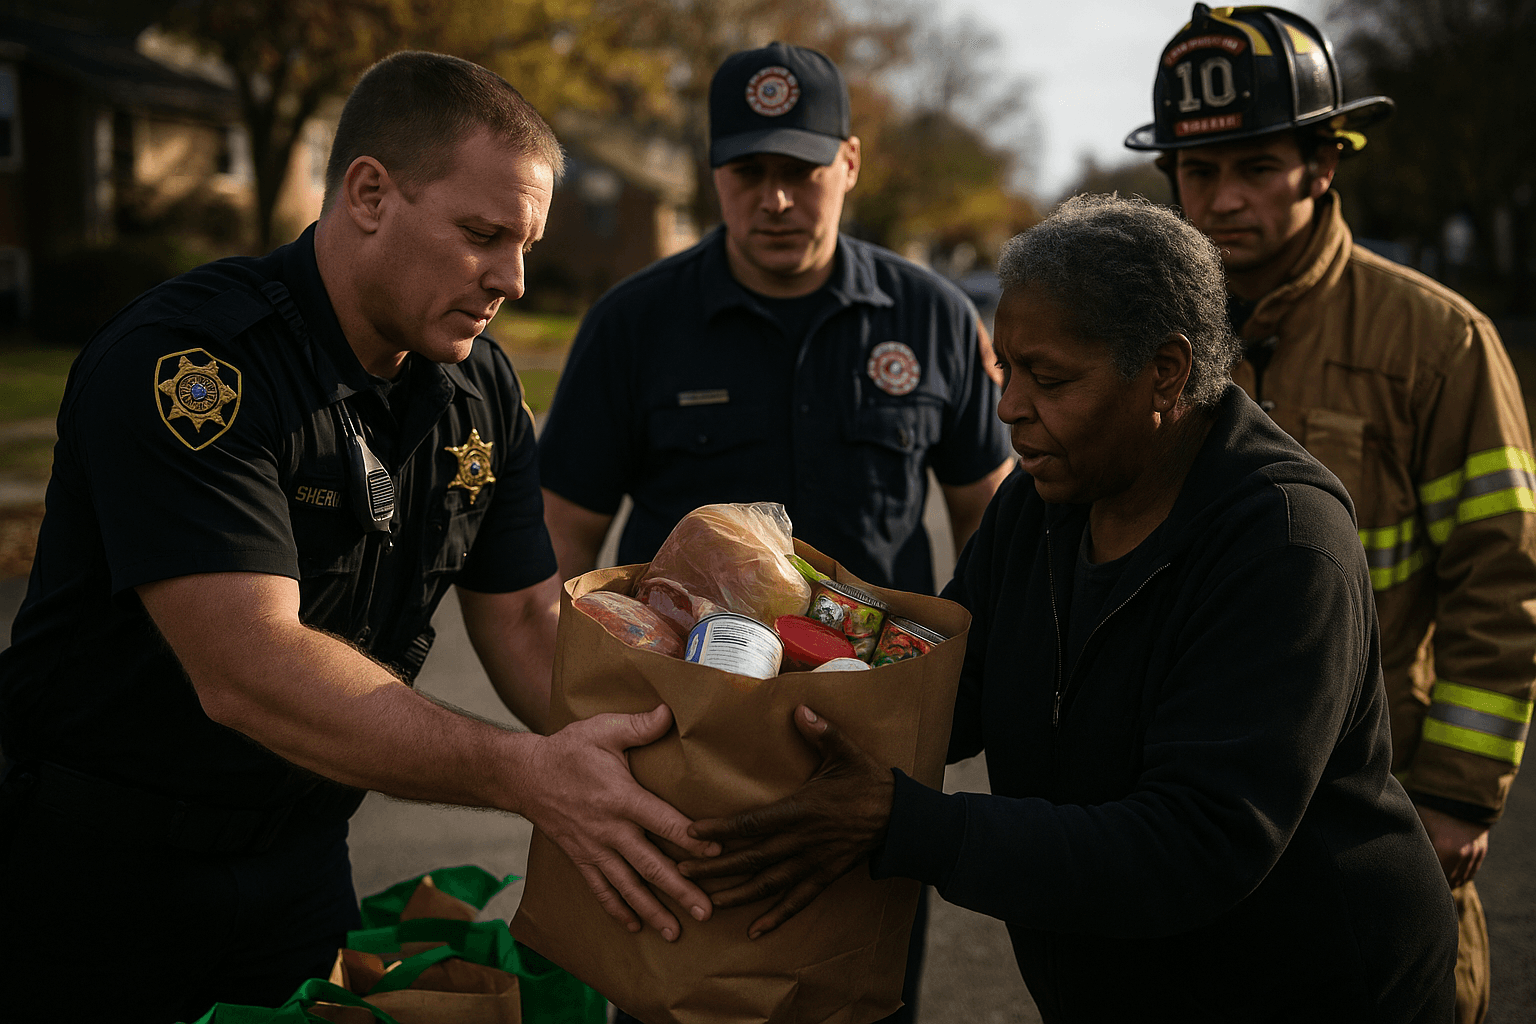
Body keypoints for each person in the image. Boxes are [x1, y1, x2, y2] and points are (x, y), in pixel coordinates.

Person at [0, 51, 719, 1024]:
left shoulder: (481, 389)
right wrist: (528, 775)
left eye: (527, 244)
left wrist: (694, 760)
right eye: (481, 233)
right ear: (370, 194)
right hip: (97, 875)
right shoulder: (193, 366)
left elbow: (523, 619)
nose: (510, 276)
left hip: (299, 862)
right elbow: (249, 664)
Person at [676, 195, 1460, 1023]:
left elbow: (1199, 843)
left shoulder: (1283, 543)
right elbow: (949, 687)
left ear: (1166, 371)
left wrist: (909, 825)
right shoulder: (1041, 502)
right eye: (1004, 369)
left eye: (1049, 379)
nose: (1010, 407)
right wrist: (756, 663)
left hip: (1310, 988)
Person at [536, 41, 1016, 1022]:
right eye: (748, 172)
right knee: (676, 995)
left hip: (867, 766)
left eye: (799, 171)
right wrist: (581, 725)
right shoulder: (635, 324)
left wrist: (942, 707)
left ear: (848, 163)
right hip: (684, 760)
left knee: (857, 995)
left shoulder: (929, 318)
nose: (776, 200)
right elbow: (559, 544)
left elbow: (995, 526)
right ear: (714, 174)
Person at [1121, 7, 1536, 1021]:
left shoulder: (1438, 343)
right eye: (1197, 172)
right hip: (1176, 830)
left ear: (1323, 161)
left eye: (1256, 167)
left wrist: (1453, 797)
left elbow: (1506, 578)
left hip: (1367, 823)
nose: (1222, 200)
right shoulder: (1131, 339)